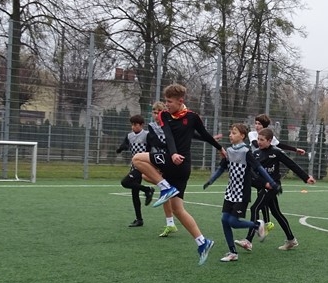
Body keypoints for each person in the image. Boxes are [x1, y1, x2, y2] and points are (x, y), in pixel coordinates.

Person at [132, 83, 223, 265]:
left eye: (169, 101)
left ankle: (165, 187)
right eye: (165, 101)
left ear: (180, 101)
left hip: (182, 165)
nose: (166, 105)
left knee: (137, 159)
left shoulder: (192, 117)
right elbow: (169, 136)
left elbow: (205, 134)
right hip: (172, 159)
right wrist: (173, 153)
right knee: (178, 210)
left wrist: (220, 148)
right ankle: (202, 242)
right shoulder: (165, 115)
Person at [202, 123, 277, 262]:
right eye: (230, 132)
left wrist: (271, 181)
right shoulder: (229, 151)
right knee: (224, 220)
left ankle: (257, 225)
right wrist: (211, 180)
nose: (230, 135)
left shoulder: (246, 152)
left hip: (242, 192)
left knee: (233, 222)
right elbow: (221, 168)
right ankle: (233, 252)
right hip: (231, 191)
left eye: (234, 132)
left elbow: (259, 168)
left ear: (242, 136)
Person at [235, 127, 316, 252]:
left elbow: (291, 164)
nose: (259, 142)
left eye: (262, 140)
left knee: (255, 208)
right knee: (276, 213)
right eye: (258, 139)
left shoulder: (276, 152)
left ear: (269, 141)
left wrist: (306, 177)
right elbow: (250, 171)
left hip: (273, 186)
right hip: (263, 186)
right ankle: (291, 240)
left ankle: (248, 241)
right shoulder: (256, 153)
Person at [115, 114, 156, 227]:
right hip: (134, 165)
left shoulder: (147, 135)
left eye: (135, 125)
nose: (133, 127)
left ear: (141, 125)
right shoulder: (129, 136)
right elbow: (125, 145)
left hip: (143, 165)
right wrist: (120, 148)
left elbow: (153, 146)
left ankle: (148, 190)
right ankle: (139, 219)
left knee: (125, 182)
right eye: (132, 125)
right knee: (134, 193)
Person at [148, 102, 179, 237]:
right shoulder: (152, 126)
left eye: (159, 112)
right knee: (163, 190)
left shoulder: (171, 124)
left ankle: (171, 223)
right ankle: (170, 223)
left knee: (175, 202)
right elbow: (155, 142)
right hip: (162, 159)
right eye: (154, 112)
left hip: (172, 159)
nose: (156, 115)